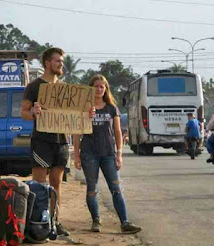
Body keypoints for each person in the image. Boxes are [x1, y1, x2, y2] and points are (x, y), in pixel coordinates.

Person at [73, 74, 142, 234]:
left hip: (109, 153)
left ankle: (124, 222)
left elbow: (117, 132)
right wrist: (76, 156)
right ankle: (96, 221)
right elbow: (77, 134)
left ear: (106, 89)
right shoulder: (84, 108)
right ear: (91, 88)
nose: (99, 89)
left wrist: (119, 154)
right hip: (89, 154)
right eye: (96, 86)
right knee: (92, 189)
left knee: (116, 188)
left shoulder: (112, 108)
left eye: (101, 86)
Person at [20, 47, 71, 236]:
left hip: (61, 140)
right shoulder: (34, 87)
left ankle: (54, 222)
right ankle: (37, 222)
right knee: (39, 184)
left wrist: (87, 114)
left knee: (56, 184)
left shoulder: (65, 89)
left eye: (62, 61)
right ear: (47, 63)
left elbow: (75, 114)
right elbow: (24, 113)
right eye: (57, 61)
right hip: (41, 140)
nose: (61, 64)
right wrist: (34, 112)